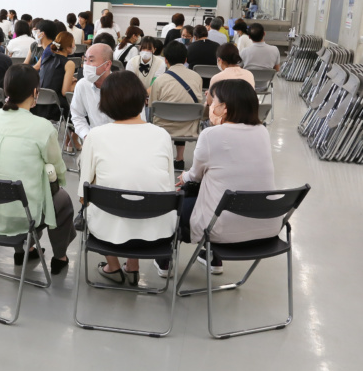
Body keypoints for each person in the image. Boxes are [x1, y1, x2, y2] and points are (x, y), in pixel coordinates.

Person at [0, 65, 76, 275]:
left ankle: (26, 249)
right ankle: (59, 257)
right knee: (61, 200)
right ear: (35, 92)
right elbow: (58, 173)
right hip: (22, 217)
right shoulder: (43, 127)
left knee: (15, 186)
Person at [170, 79, 277, 274]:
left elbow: (195, 175)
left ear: (225, 107)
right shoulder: (262, 132)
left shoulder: (211, 135)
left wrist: (184, 177)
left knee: (172, 207)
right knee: (223, 191)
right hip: (264, 224)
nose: (210, 105)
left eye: (213, 102)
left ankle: (164, 262)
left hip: (222, 227)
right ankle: (213, 258)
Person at [79, 71, 176, 283]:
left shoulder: (95, 136)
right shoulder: (162, 135)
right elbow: (169, 188)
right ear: (143, 99)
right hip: (156, 233)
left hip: (107, 234)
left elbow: (82, 195)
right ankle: (133, 266)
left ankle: (113, 267)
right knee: (142, 194)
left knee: (95, 196)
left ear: (105, 103)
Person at [150, 41, 203, 171]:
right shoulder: (197, 77)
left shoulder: (160, 80)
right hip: (189, 128)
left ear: (166, 59)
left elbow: (152, 106)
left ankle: (163, 158)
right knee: (183, 113)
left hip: (163, 127)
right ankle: (179, 159)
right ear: (185, 59)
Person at [35, 31, 77, 150]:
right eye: (73, 44)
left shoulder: (46, 57)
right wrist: (75, 84)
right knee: (78, 106)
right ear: (68, 47)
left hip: (38, 105)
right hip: (56, 108)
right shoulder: (69, 63)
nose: (74, 46)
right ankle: (72, 142)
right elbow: (65, 91)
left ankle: (71, 141)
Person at [70, 43, 114, 140]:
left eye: (91, 60)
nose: (86, 65)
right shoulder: (82, 85)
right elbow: (77, 115)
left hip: (119, 140)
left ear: (107, 65)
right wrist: (86, 135)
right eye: (85, 60)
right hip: (94, 139)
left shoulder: (123, 86)